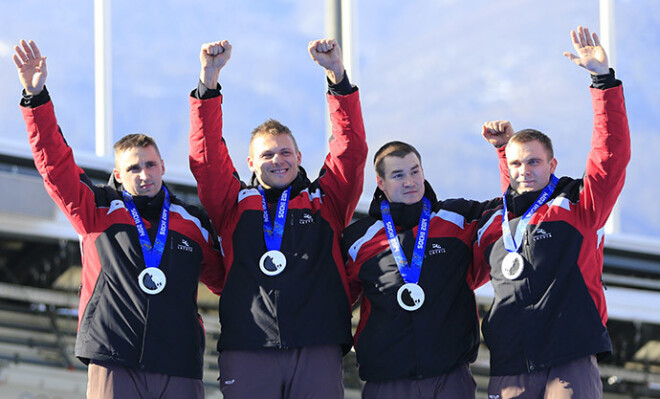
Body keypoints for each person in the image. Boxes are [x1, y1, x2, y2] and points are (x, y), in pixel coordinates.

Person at [13, 39, 224, 399]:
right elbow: (56, 166)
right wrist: (36, 98)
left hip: (180, 362)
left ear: (162, 167)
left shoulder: (192, 221)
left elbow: (225, 280)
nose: (144, 174)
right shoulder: (96, 209)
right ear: (118, 174)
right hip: (114, 356)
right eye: (133, 168)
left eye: (150, 164)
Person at [188, 38, 367, 399]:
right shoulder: (234, 204)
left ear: (300, 156)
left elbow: (350, 150)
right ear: (250, 163)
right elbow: (206, 158)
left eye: (285, 152)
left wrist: (337, 79)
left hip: (317, 345)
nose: (278, 160)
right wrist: (208, 85)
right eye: (267, 154)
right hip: (248, 345)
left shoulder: (325, 202)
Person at [474, 26, 630, 399]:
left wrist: (602, 81)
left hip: (568, 354)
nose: (523, 170)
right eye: (514, 163)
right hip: (512, 360)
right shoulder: (499, 218)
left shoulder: (578, 205)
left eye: (533, 162)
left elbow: (610, 155)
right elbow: (516, 207)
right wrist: (503, 152)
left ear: (552, 164)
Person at [341, 136, 509, 398]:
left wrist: (504, 152)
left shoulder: (458, 218)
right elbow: (340, 301)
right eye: (398, 175)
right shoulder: (358, 239)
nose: (410, 181)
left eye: (415, 171)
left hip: (450, 377)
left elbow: (510, 212)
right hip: (387, 380)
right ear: (381, 183)